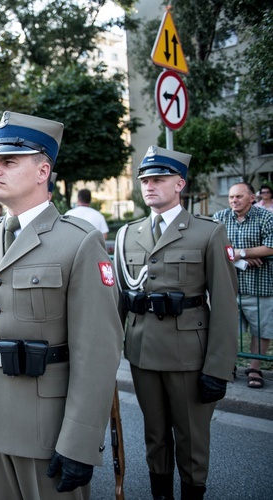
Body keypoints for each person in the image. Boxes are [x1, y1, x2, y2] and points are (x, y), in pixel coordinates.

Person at [0, 111, 122, 499]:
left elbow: (98, 352)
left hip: (46, 428)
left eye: (9, 161)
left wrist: (80, 440)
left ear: (42, 170)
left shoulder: (78, 242)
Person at [116, 146, 238, 499]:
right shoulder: (129, 234)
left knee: (191, 436)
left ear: (179, 183)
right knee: (154, 434)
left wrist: (218, 368)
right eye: (144, 180)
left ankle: (192, 492)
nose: (149, 186)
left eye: (158, 179)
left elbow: (226, 305)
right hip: (141, 354)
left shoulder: (207, 233)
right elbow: (120, 299)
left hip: (189, 355)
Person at [213, 182, 273, 389]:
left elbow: (271, 246)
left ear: (252, 198)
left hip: (260, 286)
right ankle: (229, 365)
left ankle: (254, 368)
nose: (234, 201)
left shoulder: (266, 217)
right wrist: (240, 257)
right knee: (227, 329)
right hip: (228, 286)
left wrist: (241, 252)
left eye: (239, 196)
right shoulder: (219, 218)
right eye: (231, 197)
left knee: (261, 330)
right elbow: (212, 247)